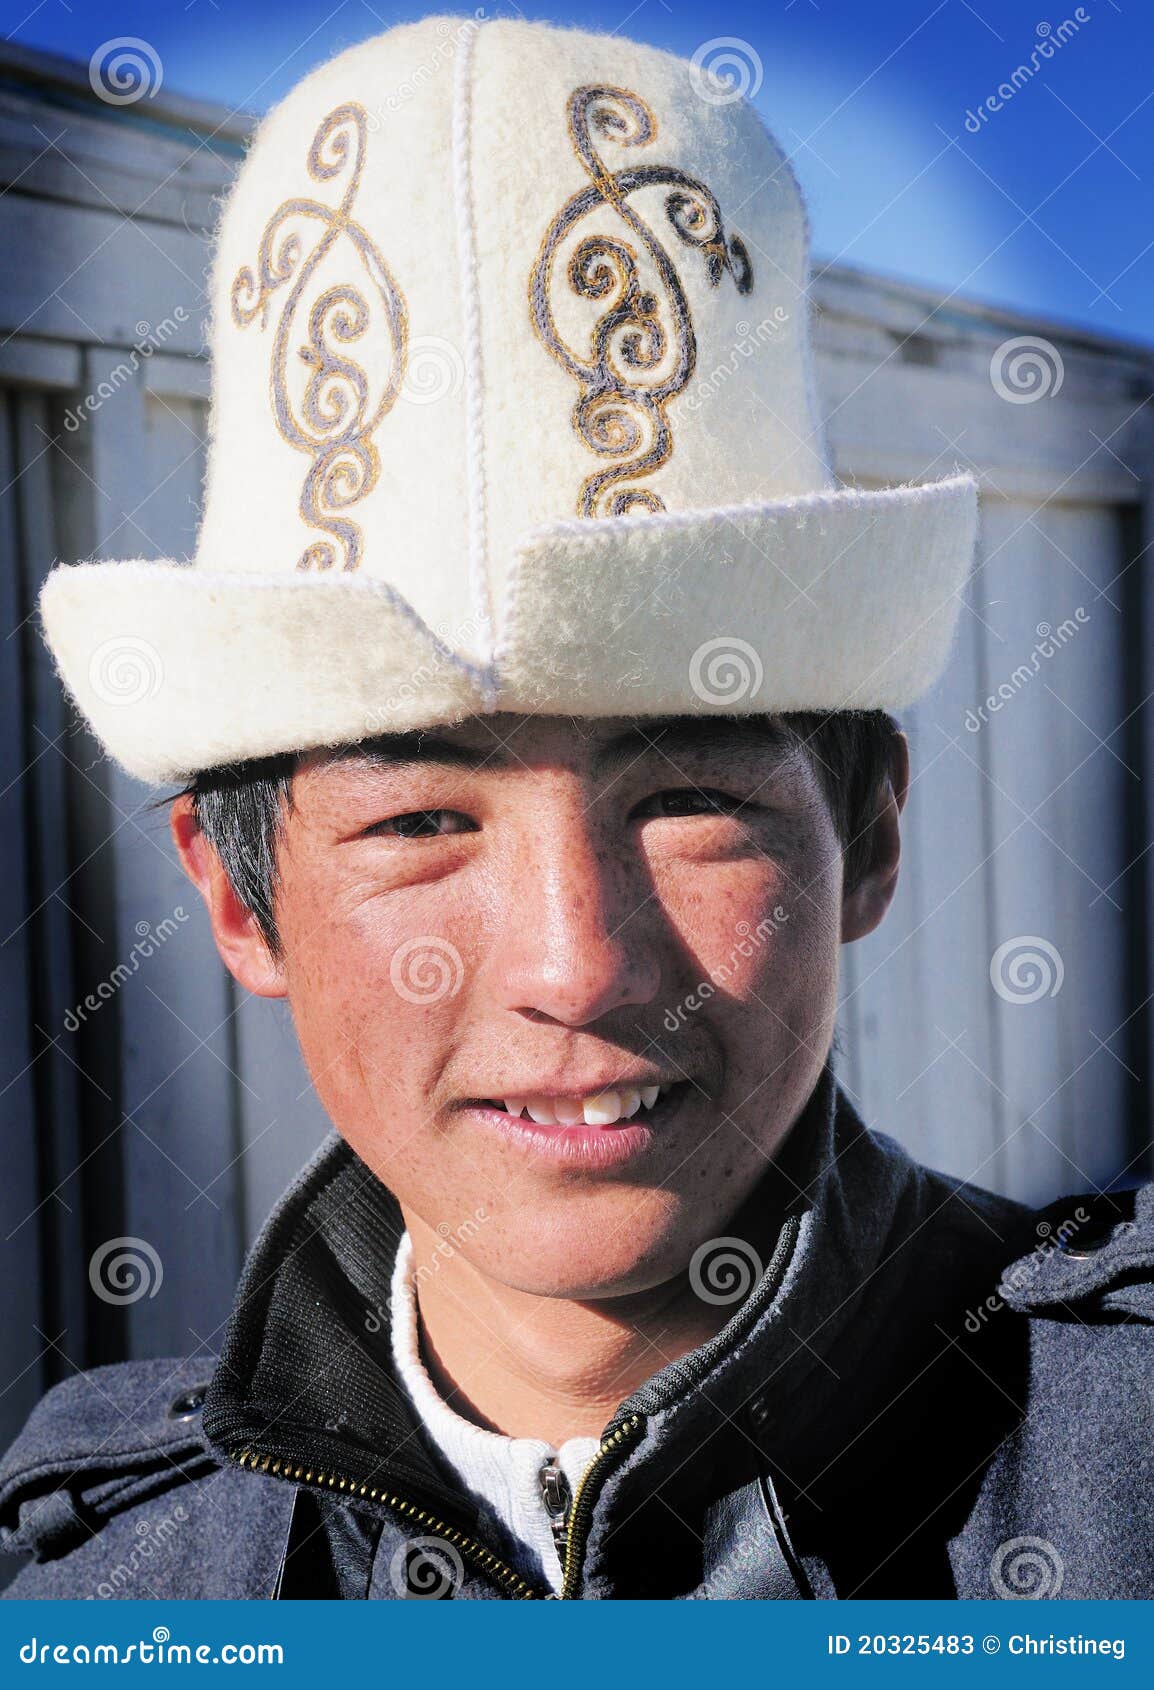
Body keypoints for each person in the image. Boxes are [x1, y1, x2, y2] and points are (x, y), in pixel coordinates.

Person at [2, 14, 1150, 1601]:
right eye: (418, 822)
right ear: (236, 893)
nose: (577, 965)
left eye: (685, 797)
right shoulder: (99, 1585)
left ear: (867, 831)